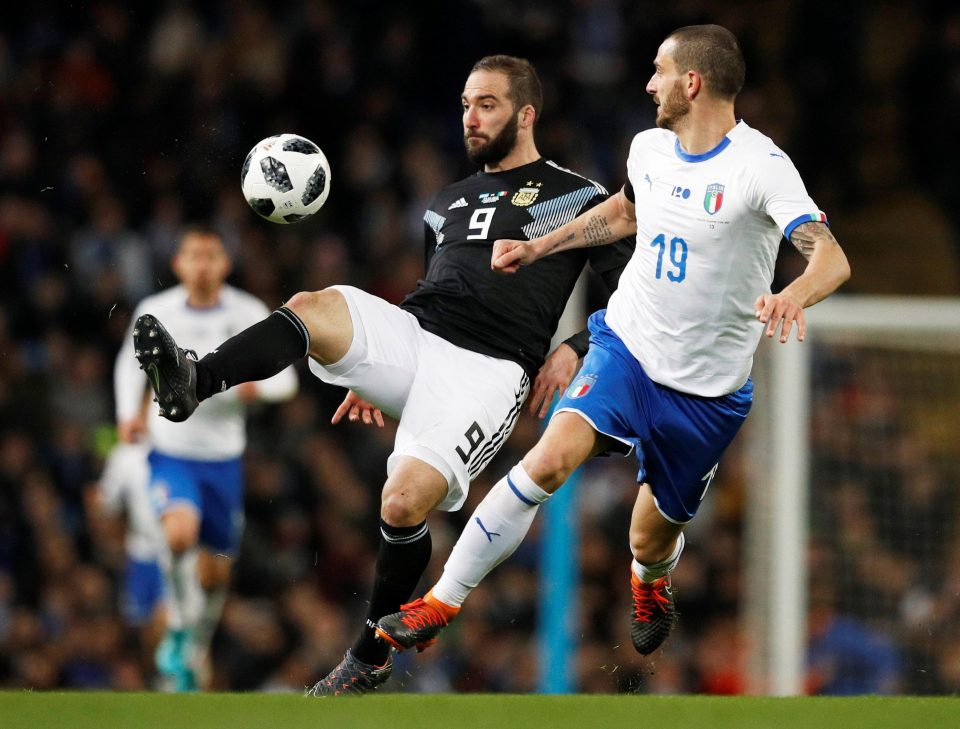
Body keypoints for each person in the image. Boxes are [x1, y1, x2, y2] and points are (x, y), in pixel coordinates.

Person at [130, 55, 635, 696]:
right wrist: (369, 369)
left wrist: (575, 344)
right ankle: (193, 382)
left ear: (526, 114)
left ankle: (370, 654)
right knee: (314, 306)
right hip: (418, 335)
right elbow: (431, 296)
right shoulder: (446, 202)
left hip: (489, 369)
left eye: (487, 105)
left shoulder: (580, 197)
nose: (471, 118)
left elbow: (634, 291)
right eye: (464, 104)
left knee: (402, 501)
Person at [375, 24, 851, 668]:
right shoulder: (650, 148)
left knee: (649, 537)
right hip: (627, 346)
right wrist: (541, 244)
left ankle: (651, 583)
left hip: (706, 393)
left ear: (693, 82)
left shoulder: (761, 167)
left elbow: (830, 259)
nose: (649, 82)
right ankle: (442, 600)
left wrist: (796, 294)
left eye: (659, 70)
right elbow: (623, 214)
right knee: (547, 462)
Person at [115, 227, 299, 691]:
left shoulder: (248, 312)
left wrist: (262, 386)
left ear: (225, 264)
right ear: (178, 264)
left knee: (216, 574)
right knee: (178, 536)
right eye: (193, 256)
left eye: (211, 256)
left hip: (223, 459)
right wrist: (125, 414)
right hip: (171, 450)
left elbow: (287, 379)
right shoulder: (158, 311)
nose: (201, 264)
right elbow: (126, 363)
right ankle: (178, 625)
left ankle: (193, 642)